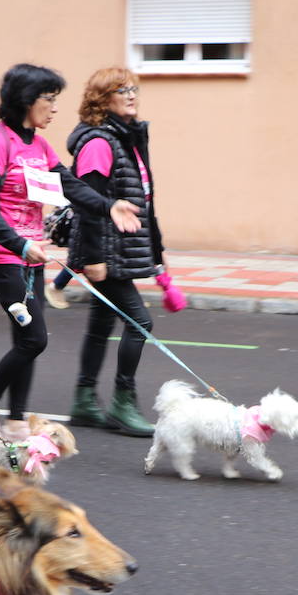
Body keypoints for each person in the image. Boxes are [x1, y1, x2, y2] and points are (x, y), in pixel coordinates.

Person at [0, 63, 141, 443]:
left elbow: (70, 184)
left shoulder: (38, 144)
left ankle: (14, 421)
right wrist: (20, 244)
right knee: (34, 339)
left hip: (30, 254)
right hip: (2, 255)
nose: (55, 107)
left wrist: (108, 206)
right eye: (49, 98)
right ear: (26, 100)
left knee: (25, 340)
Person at [63, 68, 167, 438]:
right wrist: (93, 259)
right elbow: (87, 203)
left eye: (134, 88)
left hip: (120, 249)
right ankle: (123, 404)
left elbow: (144, 200)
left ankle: (84, 400)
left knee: (101, 324)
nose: (132, 94)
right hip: (106, 252)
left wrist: (156, 250)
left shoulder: (125, 137)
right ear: (102, 98)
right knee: (141, 322)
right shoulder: (99, 143)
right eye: (122, 89)